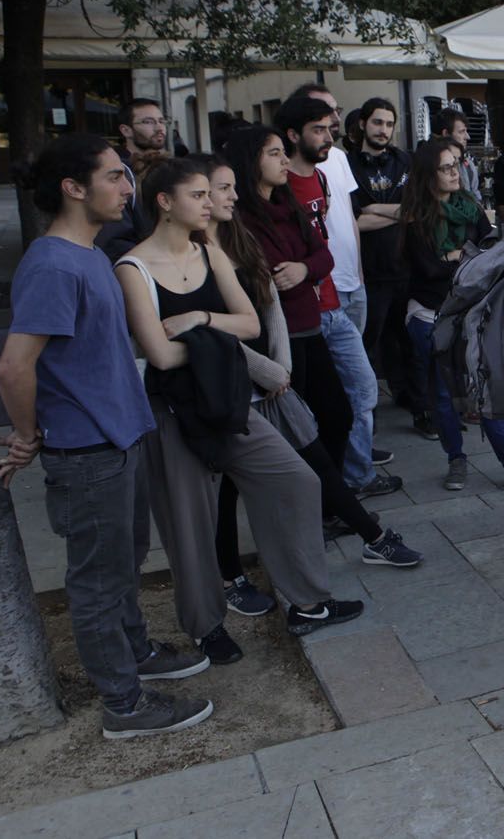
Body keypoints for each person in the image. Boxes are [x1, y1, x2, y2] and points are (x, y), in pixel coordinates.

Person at [0, 134, 211, 740]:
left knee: (125, 563)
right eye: (114, 176)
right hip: (85, 453)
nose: (127, 186)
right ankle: (123, 704)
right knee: (97, 581)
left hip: (120, 438)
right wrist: (27, 437)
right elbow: (13, 366)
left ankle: (135, 652)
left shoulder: (88, 255)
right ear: (73, 187)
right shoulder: (53, 264)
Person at [116, 158, 367, 652]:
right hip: (174, 411)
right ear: (165, 203)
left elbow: (250, 324)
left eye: (210, 195)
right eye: (198, 195)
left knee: (296, 479)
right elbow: (161, 356)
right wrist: (218, 336)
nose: (210, 203)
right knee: (190, 526)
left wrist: (197, 319)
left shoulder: (208, 250)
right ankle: (207, 627)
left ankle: (308, 600)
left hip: (228, 400)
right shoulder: (132, 267)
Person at [202, 155, 421, 614]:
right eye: (213, 191)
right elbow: (213, 334)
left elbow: (268, 307)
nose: (227, 199)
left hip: (274, 372)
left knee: (315, 450)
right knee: (230, 487)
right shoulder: (196, 253)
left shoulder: (236, 238)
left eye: (222, 190)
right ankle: (234, 578)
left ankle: (369, 536)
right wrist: (269, 372)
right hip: (231, 385)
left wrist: (277, 368)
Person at [277, 95, 402, 499]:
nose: (328, 136)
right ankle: (331, 485)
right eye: (318, 129)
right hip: (302, 312)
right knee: (320, 404)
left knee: (363, 390)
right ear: (294, 135)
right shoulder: (279, 186)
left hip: (339, 293)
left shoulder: (324, 175)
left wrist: (349, 269)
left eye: (330, 128)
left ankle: (355, 476)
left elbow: (332, 234)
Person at [226, 125, 359, 504]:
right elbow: (259, 272)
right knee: (294, 432)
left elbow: (324, 255)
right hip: (274, 339)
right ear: (250, 161)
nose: (285, 160)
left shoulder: (290, 207)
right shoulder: (239, 219)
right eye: (274, 153)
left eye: (284, 152)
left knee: (337, 415)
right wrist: (300, 270)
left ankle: (328, 502)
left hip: (310, 326)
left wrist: (304, 269)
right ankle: (313, 505)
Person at [398, 138, 504, 490]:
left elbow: (491, 254)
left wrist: (459, 257)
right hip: (430, 313)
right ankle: (456, 461)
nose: (454, 172)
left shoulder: (469, 206)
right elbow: (428, 269)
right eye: (446, 167)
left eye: (457, 164)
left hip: (473, 311)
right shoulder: (416, 217)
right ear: (428, 175)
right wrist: (467, 257)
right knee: (445, 394)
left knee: (482, 383)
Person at [347, 97, 426, 435]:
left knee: (411, 345)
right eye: (377, 122)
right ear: (363, 124)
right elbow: (351, 220)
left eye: (389, 124)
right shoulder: (345, 165)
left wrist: (372, 210)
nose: (383, 130)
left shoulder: (405, 161)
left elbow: (415, 210)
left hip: (405, 267)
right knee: (366, 347)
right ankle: (367, 421)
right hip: (368, 271)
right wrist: (391, 211)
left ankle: (420, 409)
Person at [94, 98, 170, 260]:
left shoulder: (171, 167)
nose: (159, 127)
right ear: (126, 130)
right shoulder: (118, 172)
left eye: (161, 121)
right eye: (148, 122)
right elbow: (114, 239)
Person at [436, 107, 483, 204]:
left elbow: (476, 197)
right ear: (446, 133)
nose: (467, 137)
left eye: (456, 164)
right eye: (461, 132)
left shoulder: (468, 164)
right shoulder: (427, 163)